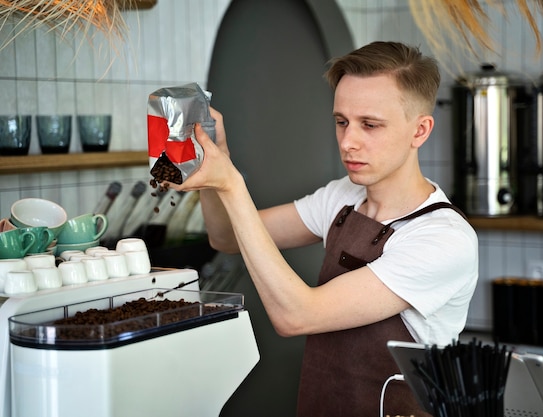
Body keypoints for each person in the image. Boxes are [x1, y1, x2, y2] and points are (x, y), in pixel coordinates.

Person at [170, 41, 478, 417]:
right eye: (341, 121)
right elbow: (227, 238)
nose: (348, 142)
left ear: (420, 131)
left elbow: (296, 315)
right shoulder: (341, 197)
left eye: (370, 124)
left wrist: (232, 185)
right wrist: (216, 162)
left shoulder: (443, 238)